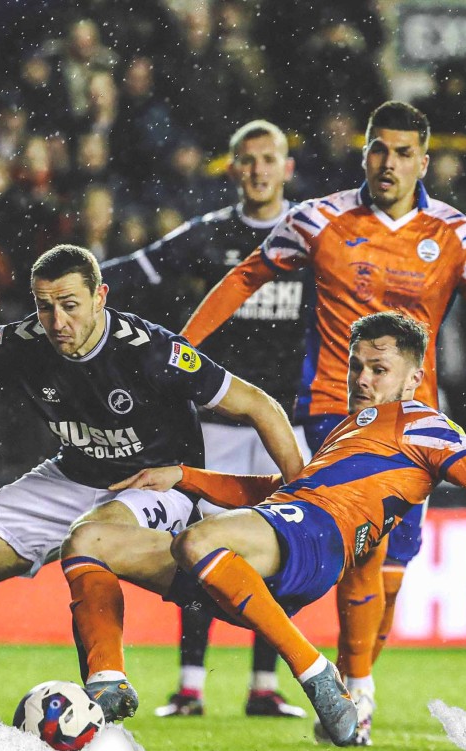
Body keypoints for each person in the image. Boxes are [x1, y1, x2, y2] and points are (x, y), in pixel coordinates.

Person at [0, 243, 303, 751]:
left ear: (100, 297)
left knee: (91, 535)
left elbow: (259, 405)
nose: (56, 320)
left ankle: (105, 688)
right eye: (44, 306)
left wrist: (302, 496)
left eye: (70, 304)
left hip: (153, 484)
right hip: (70, 475)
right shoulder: (22, 342)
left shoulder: (151, 350)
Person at [178, 101, 466, 743]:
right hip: (332, 413)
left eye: (404, 152)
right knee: (365, 559)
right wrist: (180, 354)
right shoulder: (318, 219)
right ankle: (351, 695)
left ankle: (355, 686)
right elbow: (246, 276)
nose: (389, 162)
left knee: (391, 572)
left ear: (423, 161)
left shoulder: (459, 235)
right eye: (379, 148)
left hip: (420, 427)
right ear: (365, 152)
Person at [59, 311, 466, 747]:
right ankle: (108, 681)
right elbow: (280, 488)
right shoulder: (350, 429)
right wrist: (184, 476)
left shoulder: (429, 428)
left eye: (379, 370)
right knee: (86, 539)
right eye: (356, 366)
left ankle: (313, 670)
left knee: (199, 538)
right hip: (266, 550)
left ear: (414, 378)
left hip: (317, 540)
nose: (363, 379)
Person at [101, 119, 311, 719]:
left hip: (287, 421)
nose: (258, 169)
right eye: (247, 160)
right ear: (233, 167)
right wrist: (82, 286)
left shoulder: (313, 237)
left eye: (269, 158)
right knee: (201, 546)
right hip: (217, 420)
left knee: (279, 549)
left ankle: (263, 687)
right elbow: (137, 270)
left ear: (286, 168)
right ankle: (191, 685)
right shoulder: (211, 234)